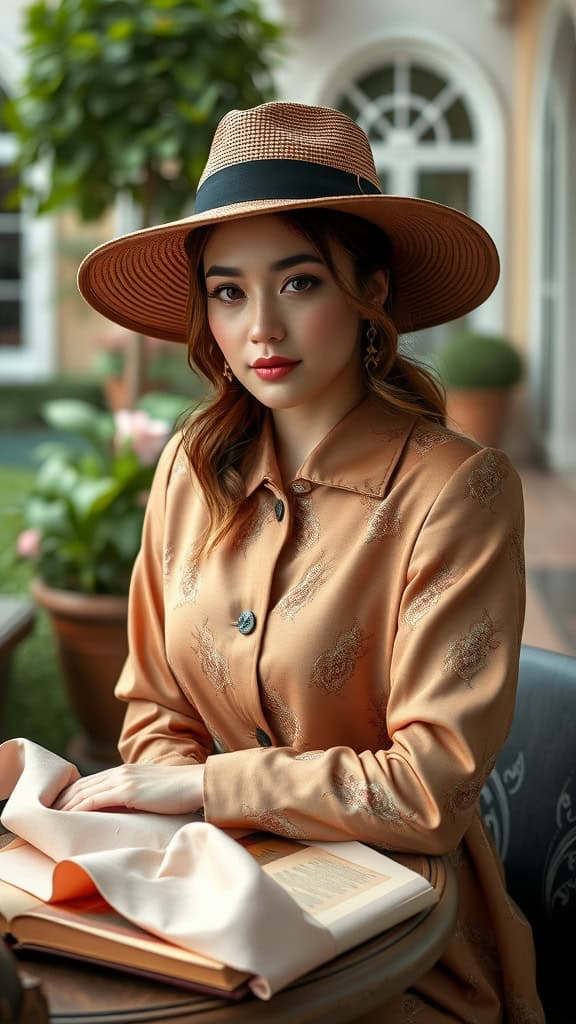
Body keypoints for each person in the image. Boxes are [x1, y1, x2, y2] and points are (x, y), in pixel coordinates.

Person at [55, 102, 544, 1022]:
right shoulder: (191, 470)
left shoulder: (456, 492)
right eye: (229, 291)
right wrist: (206, 840)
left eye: (300, 282)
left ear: (372, 290)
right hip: (208, 913)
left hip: (402, 948)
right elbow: (154, 712)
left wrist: (206, 790)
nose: (260, 329)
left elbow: (429, 787)